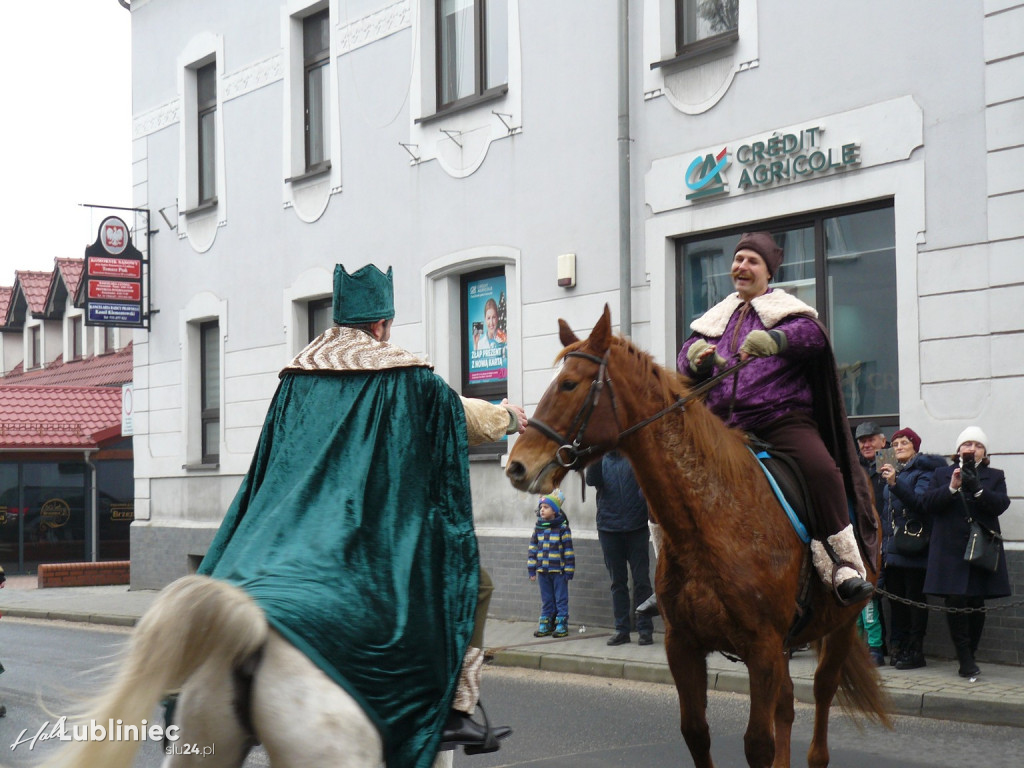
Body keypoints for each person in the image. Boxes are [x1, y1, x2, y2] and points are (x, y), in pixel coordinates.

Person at [197, 264, 525, 765]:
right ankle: (457, 707)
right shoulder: (408, 378)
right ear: (382, 325)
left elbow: (272, 465)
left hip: (286, 539)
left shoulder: (295, 380)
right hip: (366, 538)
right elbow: (463, 417)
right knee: (473, 583)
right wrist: (509, 416)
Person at [677, 232, 876, 606]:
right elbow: (684, 355)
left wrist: (777, 340)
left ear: (768, 271)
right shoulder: (717, 315)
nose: (742, 267)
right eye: (738, 260)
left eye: (752, 261)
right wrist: (697, 355)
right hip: (721, 429)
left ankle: (842, 564)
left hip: (781, 421)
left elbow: (813, 337)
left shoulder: (786, 309)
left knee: (822, 471)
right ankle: (678, 570)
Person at [921, 427, 1011, 679]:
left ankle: (970, 653)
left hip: (980, 548)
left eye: (978, 445)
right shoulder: (942, 473)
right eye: (967, 444)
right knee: (956, 601)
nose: (972, 449)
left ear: (985, 451)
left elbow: (1001, 505)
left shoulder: (995, 475)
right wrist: (951, 487)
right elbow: (927, 504)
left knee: (975, 602)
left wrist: (979, 490)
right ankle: (964, 658)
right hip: (949, 550)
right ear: (958, 449)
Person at [879, 428, 945, 670]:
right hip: (892, 548)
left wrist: (895, 483)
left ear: (915, 446)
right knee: (897, 602)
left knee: (914, 600)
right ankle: (901, 647)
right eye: (895, 443)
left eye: (904, 442)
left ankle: (916, 650)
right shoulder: (892, 472)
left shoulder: (924, 472)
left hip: (914, 546)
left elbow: (920, 503)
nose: (898, 447)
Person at [586, 451, 655, 646]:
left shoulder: (634, 456)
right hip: (609, 529)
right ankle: (621, 630)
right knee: (618, 582)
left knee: (642, 580)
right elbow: (591, 480)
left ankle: (645, 629)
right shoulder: (601, 459)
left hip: (637, 528)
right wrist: (595, 452)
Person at [855, 421, 888, 665]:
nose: (866, 444)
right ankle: (870, 648)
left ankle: (884, 646)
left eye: (871, 439)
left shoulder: (889, 463)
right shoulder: (854, 467)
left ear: (882, 441)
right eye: (862, 440)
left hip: (888, 539)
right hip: (861, 540)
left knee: (887, 597)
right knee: (869, 600)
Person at [527, 490, 575, 639]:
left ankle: (561, 624)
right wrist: (531, 569)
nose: (542, 510)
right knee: (547, 599)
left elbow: (568, 551)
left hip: (559, 572)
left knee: (561, 598)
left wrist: (569, 570)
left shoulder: (562, 529)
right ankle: (546, 622)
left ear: (554, 511)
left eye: (546, 507)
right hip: (543, 571)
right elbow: (532, 549)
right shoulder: (538, 528)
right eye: (540, 507)